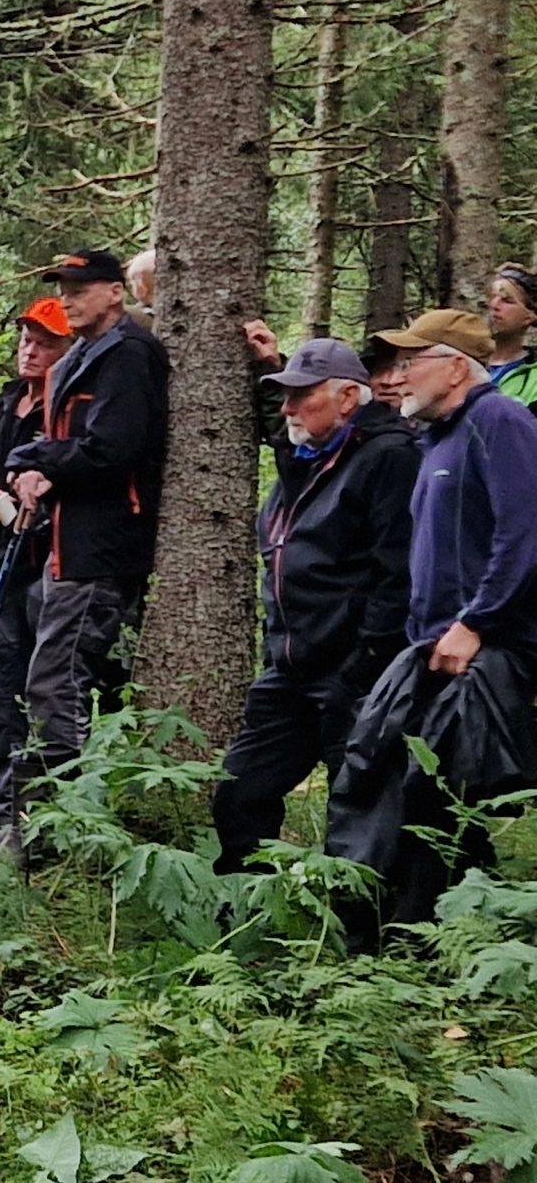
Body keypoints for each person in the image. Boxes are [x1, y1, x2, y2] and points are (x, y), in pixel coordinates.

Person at [330, 309, 537, 943]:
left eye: (410, 361)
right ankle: (444, 931)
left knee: (433, 791)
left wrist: (477, 623)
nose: (397, 376)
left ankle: (419, 942)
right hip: (432, 645)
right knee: (386, 773)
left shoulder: (499, 420)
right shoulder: (437, 437)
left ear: (454, 366)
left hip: (484, 645)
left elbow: (525, 531)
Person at [207, 338, 417, 872]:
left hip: (354, 671)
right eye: (284, 395)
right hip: (290, 670)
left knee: (360, 808)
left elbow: (397, 576)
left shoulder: (389, 457)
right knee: (240, 788)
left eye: (302, 395)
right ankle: (249, 906)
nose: (289, 408)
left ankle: (364, 933)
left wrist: (362, 667)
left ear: (349, 397)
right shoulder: (307, 456)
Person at [0, 250, 170, 852]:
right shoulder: (85, 355)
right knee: (50, 681)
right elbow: (70, 445)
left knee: (55, 684)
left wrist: (38, 462)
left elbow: (111, 452)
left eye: (79, 287)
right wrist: (37, 467)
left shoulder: (128, 355)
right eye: (61, 287)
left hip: (101, 549)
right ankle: (52, 825)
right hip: (64, 545)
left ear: (115, 293)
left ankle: (47, 836)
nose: (66, 298)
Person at [0, 298, 74, 832]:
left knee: (45, 686)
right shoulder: (9, 401)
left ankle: (36, 807)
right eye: (27, 340)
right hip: (1, 558)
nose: (31, 351)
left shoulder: (70, 405)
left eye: (45, 343)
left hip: (52, 562)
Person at [487, 264, 537, 403]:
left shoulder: (533, 376)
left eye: (507, 301)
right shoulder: (462, 361)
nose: (494, 305)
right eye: (492, 297)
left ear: (529, 317)